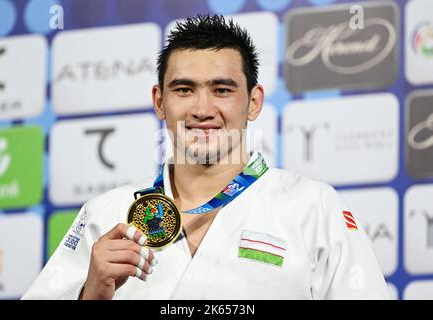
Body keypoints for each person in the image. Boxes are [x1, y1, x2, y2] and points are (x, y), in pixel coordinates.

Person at [22, 14, 390, 300]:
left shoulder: (312, 206)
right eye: (184, 89)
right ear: (159, 101)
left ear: (254, 101)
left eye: (222, 89)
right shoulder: (107, 214)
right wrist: (90, 296)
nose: (202, 109)